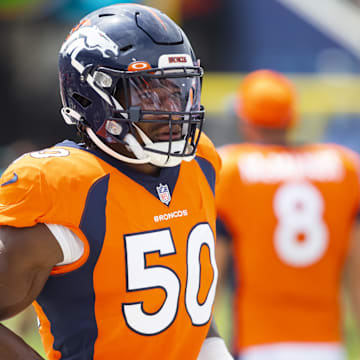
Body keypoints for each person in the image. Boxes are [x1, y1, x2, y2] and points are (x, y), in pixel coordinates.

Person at [0, 4, 233, 360]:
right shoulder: (62, 184)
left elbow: (189, 299)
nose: (170, 107)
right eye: (148, 90)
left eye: (176, 88)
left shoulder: (200, 160)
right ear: (90, 95)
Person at [215, 69, 360, 360]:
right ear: (293, 118)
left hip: (258, 343)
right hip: (327, 345)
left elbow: (213, 274)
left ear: (245, 119)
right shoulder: (344, 167)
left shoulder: (230, 169)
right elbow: (356, 271)